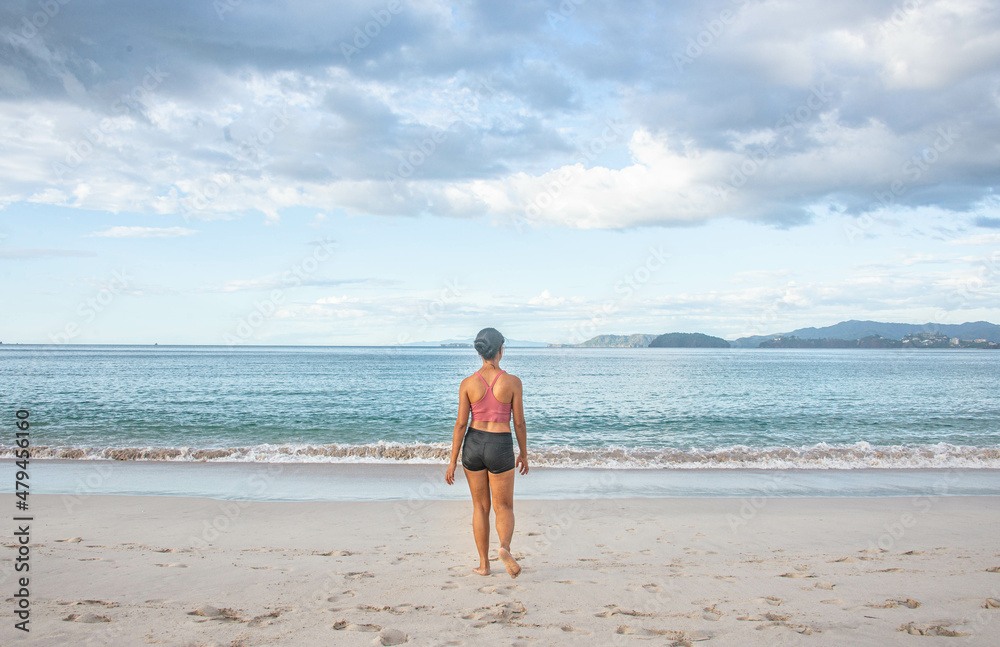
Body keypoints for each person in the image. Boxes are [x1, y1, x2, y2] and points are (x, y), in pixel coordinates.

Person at [445, 327, 528, 578]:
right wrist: (523, 453)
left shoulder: (468, 384)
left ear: (480, 352)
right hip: (500, 444)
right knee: (504, 507)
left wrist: (451, 462)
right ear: (501, 350)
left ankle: (484, 564)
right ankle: (504, 548)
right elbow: (519, 423)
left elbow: (460, 424)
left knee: (480, 507)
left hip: (473, 443)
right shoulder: (512, 382)